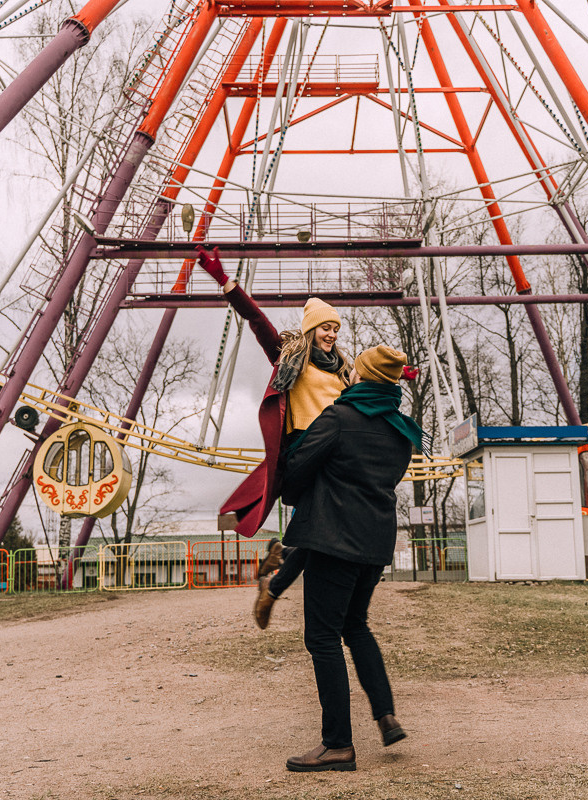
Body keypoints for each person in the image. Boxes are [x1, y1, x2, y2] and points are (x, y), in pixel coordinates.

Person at [278, 345, 422, 772]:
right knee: (355, 626)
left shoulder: (340, 417)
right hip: (375, 544)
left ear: (362, 374)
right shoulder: (402, 430)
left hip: (334, 539)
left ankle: (338, 744)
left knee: (322, 638)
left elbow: (299, 463)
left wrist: (297, 486)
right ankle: (385, 713)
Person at [194, 246, 350, 626]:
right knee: (320, 526)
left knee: (321, 529)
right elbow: (256, 319)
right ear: (311, 329)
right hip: (302, 449)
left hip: (334, 452)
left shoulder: (344, 369)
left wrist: (396, 377)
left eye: (336, 328)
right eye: (325, 327)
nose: (331, 333)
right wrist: (224, 280)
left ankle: (278, 563)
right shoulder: (289, 355)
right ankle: (276, 582)